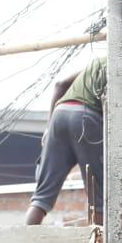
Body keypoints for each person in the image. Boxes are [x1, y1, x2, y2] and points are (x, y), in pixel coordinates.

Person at [25, 55, 106, 226]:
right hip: (87, 118)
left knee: (42, 196)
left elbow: (60, 84)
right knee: (98, 194)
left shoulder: (96, 62)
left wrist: (48, 128)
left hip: (59, 114)